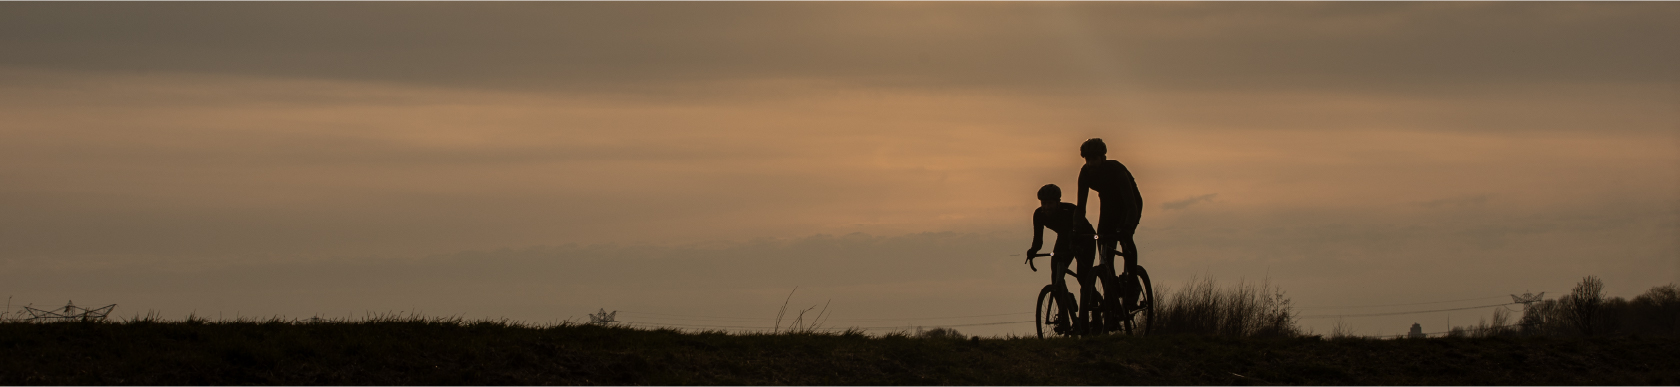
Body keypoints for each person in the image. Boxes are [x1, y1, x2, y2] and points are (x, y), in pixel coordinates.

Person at [1075, 138, 1144, 317]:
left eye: (1094, 159)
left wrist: (1128, 227)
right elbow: (1080, 207)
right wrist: (1076, 229)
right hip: (1107, 206)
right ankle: (1111, 290)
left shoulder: (1117, 170)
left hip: (1129, 205)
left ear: (1103, 158)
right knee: (1103, 246)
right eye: (1087, 160)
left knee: (1125, 238)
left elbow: (1131, 204)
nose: (1091, 163)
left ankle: (1133, 281)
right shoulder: (1085, 173)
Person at [1025, 183, 1098, 335]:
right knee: (1056, 277)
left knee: (1084, 277)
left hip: (1085, 238)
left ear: (1058, 202)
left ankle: (1096, 314)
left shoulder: (1069, 210)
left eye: (1050, 203)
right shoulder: (1039, 215)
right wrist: (1032, 251)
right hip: (1065, 238)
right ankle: (1065, 316)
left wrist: (1075, 246)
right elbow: (1038, 239)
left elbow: (1076, 231)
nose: (1046, 207)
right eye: (1044, 203)